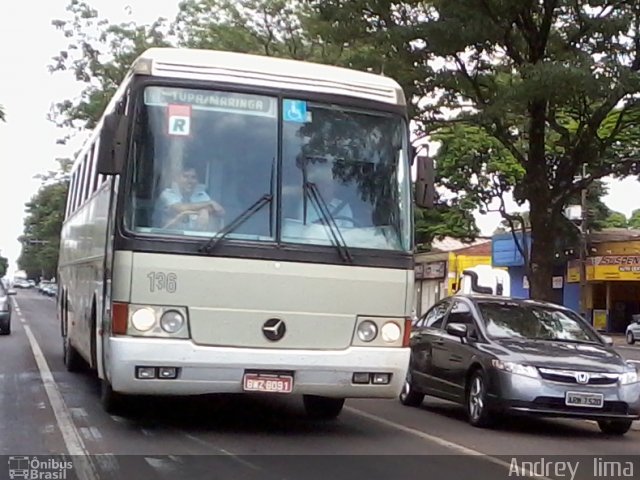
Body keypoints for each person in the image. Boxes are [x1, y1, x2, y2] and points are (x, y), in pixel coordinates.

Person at [155, 163, 225, 230]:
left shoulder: (201, 195)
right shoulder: (167, 194)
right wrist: (208, 204)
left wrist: (205, 211)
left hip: (192, 238)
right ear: (177, 179)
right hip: (168, 237)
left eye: (193, 177)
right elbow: (181, 208)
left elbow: (220, 211)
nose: (189, 181)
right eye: (185, 176)